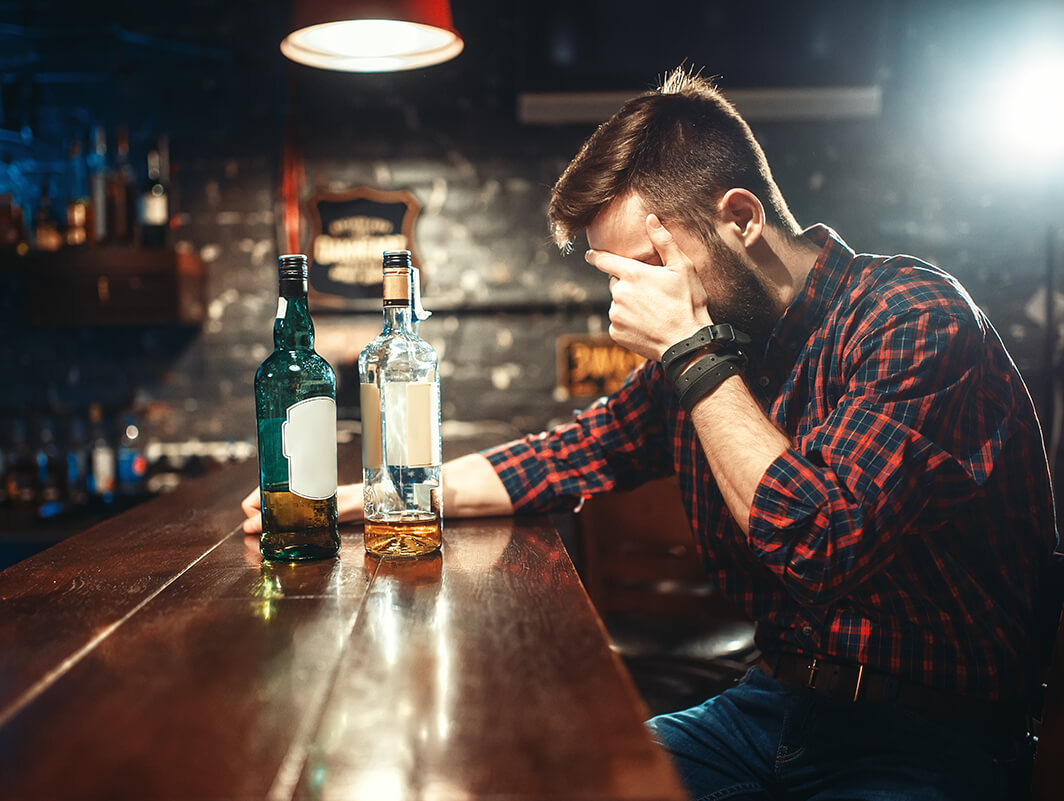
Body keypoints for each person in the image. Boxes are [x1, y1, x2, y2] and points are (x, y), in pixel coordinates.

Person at [242, 68, 1059, 800]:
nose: (624, 305)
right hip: (774, 703)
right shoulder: (719, 341)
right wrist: (351, 498)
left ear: (739, 218)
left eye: (646, 266)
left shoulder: (910, 316)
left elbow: (817, 538)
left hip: (931, 736)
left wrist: (689, 350)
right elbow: (554, 459)